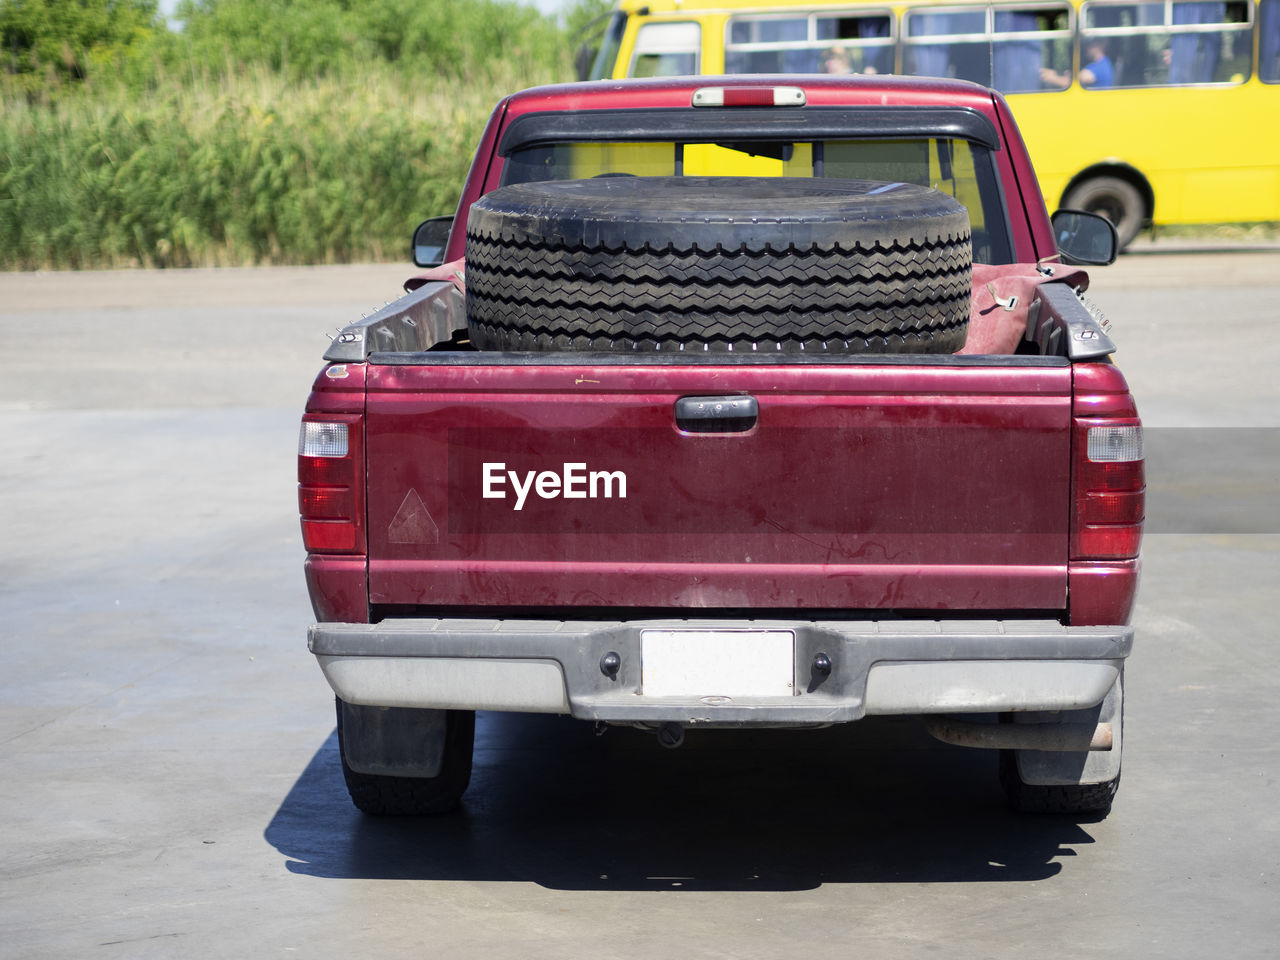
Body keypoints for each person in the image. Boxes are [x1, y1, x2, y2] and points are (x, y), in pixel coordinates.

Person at [1041, 39, 1114, 89]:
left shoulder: (1099, 68)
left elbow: (1069, 84)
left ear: (1100, 46)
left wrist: (1050, 78)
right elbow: (1073, 76)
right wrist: (1048, 72)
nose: (1086, 48)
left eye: (1090, 45)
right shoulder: (1103, 63)